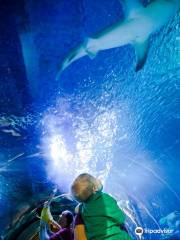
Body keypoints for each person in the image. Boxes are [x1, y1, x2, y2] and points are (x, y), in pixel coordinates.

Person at [71, 173, 132, 240]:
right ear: (94, 188)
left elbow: (77, 209)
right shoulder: (105, 199)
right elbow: (121, 218)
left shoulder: (83, 208)